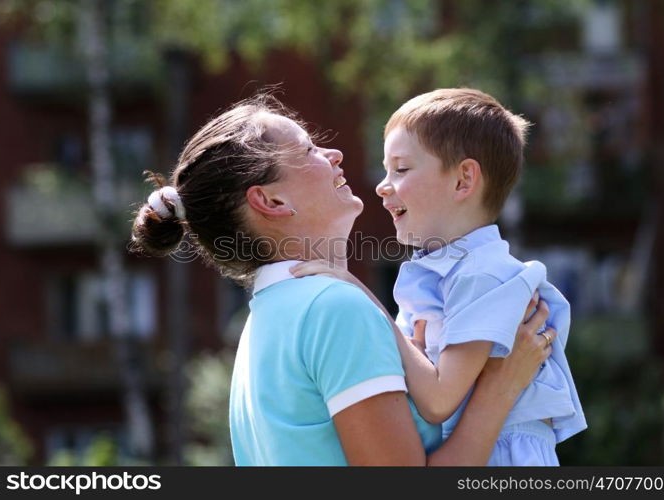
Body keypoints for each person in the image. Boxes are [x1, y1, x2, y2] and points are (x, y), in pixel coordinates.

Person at [130, 94, 556, 466]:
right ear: (272, 200)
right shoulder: (335, 308)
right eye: (309, 148)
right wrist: (500, 389)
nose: (333, 153)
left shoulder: (263, 321)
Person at [291, 88, 587, 466]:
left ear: (464, 180)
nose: (383, 185)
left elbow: (437, 401)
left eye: (401, 169)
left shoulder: (483, 274)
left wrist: (359, 295)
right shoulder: (444, 271)